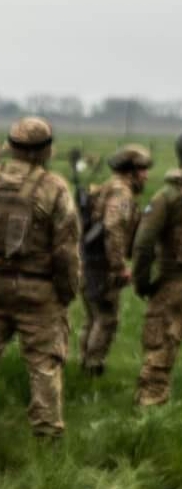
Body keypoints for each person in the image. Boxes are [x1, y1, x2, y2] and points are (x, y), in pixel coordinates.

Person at [0, 117, 80, 437]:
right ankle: (47, 433)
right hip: (39, 289)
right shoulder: (54, 188)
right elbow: (66, 251)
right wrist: (66, 292)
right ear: (45, 150)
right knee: (44, 365)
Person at [79, 143, 152, 376]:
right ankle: (93, 367)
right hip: (102, 266)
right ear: (131, 170)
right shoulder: (121, 193)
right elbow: (113, 229)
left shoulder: (109, 186)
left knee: (93, 318)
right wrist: (119, 267)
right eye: (142, 170)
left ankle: (84, 364)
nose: (146, 176)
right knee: (106, 318)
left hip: (89, 261)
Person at [134, 133, 182, 406]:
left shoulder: (168, 196)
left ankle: (151, 408)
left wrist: (143, 283)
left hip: (173, 283)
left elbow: (143, 243)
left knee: (159, 351)